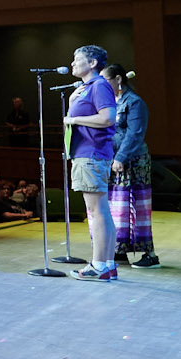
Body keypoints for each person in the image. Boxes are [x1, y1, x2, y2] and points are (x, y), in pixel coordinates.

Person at [63, 43, 121, 280]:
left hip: (92, 154)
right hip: (88, 153)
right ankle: (107, 264)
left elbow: (108, 117)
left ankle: (98, 266)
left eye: (77, 59)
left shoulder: (98, 85)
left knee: (96, 212)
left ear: (93, 63)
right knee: (101, 211)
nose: (73, 63)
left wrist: (75, 119)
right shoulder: (87, 88)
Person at [106, 64, 158, 268]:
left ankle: (150, 254)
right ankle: (120, 251)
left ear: (118, 79)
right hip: (115, 161)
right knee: (118, 207)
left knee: (138, 206)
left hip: (134, 161)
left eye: (107, 80)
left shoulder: (135, 102)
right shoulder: (112, 102)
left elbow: (135, 134)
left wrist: (120, 157)